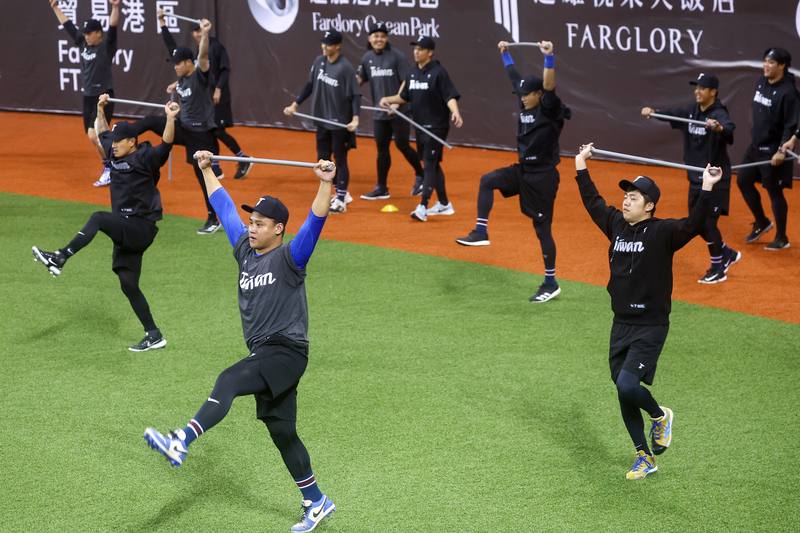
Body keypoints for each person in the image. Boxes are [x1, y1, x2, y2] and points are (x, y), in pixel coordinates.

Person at [143, 150, 337, 533]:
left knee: (229, 380)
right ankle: (317, 501)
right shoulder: (245, 252)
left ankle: (181, 439)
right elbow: (224, 206)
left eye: (261, 224)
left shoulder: (291, 257)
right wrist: (206, 170)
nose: (252, 228)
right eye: (252, 222)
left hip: (286, 350)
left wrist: (326, 182)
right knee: (283, 432)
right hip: (265, 352)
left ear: (278, 229)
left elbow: (316, 220)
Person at [574, 143, 723, 480]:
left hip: (650, 325)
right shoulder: (616, 225)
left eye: (635, 197)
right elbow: (593, 203)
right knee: (623, 389)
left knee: (628, 386)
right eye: (626, 194)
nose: (627, 199)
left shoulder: (663, 232)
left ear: (650, 205)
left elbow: (696, 222)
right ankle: (645, 456)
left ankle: (660, 416)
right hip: (621, 324)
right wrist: (581, 166)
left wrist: (707, 186)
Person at [32, 95, 178, 351]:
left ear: (132, 142)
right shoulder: (116, 146)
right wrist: (100, 109)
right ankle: (154, 334)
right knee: (128, 283)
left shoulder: (145, 157)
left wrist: (170, 118)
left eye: (119, 141)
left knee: (99, 218)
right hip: (125, 226)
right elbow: (102, 134)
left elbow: (166, 143)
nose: (114, 146)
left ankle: (61, 256)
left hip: (141, 225)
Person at [456, 40, 568, 303]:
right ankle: (481, 231)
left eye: (526, 94)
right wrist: (505, 55)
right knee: (488, 180)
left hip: (543, 177)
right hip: (523, 170)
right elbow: (514, 79)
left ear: (538, 95)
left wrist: (549, 57)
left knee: (542, 230)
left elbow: (549, 85)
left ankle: (551, 282)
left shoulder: (548, 108)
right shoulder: (525, 101)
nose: (521, 97)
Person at [641, 72, 741, 283]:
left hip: (714, 180)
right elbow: (671, 112)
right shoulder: (691, 110)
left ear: (713, 92)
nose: (697, 91)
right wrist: (654, 112)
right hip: (696, 179)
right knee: (696, 223)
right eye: (696, 87)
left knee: (708, 223)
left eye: (702, 88)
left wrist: (718, 127)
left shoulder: (719, 112)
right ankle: (726, 253)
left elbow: (729, 129)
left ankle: (718, 267)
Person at [137, 18, 221, 234]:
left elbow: (202, 56)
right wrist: (162, 23)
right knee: (151, 121)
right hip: (185, 129)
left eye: (177, 63)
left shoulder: (199, 76)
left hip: (201, 134)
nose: (174, 67)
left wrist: (204, 34)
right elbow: (171, 46)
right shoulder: (181, 78)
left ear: (188, 63)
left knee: (204, 178)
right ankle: (123, 136)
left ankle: (214, 217)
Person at [157, 10, 252, 180]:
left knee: (217, 130)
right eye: (195, 31)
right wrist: (163, 25)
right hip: (204, 98)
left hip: (217, 95)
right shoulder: (192, 53)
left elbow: (224, 70)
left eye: (200, 30)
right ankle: (217, 166)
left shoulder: (215, 47)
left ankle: (242, 157)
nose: (197, 33)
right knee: (211, 132)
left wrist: (218, 89)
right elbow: (174, 50)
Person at [380, 36, 463, 222]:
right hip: (419, 126)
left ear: (430, 52)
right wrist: (388, 99)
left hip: (436, 127)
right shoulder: (411, 73)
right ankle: (443, 203)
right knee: (431, 163)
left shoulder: (439, 72)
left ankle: (423, 206)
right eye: (415, 48)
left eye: (421, 49)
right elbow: (404, 97)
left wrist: (455, 112)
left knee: (430, 163)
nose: (416, 51)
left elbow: (450, 95)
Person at [284, 29, 360, 214]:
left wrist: (355, 118)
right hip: (321, 119)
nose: (324, 47)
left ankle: (341, 198)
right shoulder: (319, 62)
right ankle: (340, 192)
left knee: (340, 159)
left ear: (338, 46)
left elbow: (355, 95)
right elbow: (310, 85)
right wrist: (295, 104)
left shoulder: (345, 68)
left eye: (328, 44)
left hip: (339, 122)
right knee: (324, 159)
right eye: (323, 43)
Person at [49, 0, 121, 187]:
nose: (86, 36)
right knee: (94, 135)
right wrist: (56, 7)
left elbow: (113, 27)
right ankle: (113, 166)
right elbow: (68, 26)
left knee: (95, 135)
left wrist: (115, 7)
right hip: (88, 97)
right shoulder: (82, 44)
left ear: (98, 34)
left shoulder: (106, 47)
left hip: (104, 96)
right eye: (85, 33)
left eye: (89, 33)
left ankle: (111, 168)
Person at [737, 48, 799, 250]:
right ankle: (762, 221)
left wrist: (781, 150)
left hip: (774, 149)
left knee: (774, 191)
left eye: (771, 62)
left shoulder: (789, 93)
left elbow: (791, 124)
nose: (766, 65)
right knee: (743, 180)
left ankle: (782, 237)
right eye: (765, 61)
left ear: (782, 66)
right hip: (755, 147)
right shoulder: (761, 82)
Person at [356, 23, 424, 200]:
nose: (379, 39)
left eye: (382, 36)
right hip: (380, 113)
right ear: (369, 39)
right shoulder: (367, 58)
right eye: (375, 36)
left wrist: (396, 102)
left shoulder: (397, 56)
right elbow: (360, 79)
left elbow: (406, 80)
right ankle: (381, 188)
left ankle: (421, 175)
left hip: (399, 110)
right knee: (382, 149)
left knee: (402, 144)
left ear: (386, 39)